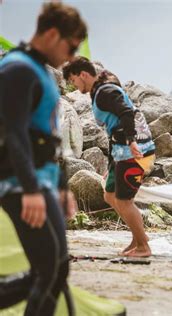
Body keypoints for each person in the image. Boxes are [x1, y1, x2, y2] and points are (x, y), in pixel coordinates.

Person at [0, 3, 85, 314]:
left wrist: (62, 187)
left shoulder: (42, 72)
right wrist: (31, 190)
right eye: (71, 45)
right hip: (18, 182)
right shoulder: (17, 69)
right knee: (47, 270)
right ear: (51, 34)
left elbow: (50, 137)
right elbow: (14, 133)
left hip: (44, 180)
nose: (73, 55)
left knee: (56, 270)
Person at [63, 56, 155, 257]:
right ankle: (138, 239)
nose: (73, 85)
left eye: (73, 80)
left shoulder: (105, 92)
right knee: (110, 195)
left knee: (123, 201)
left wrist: (131, 141)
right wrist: (111, 166)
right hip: (122, 152)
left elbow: (126, 113)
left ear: (83, 75)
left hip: (134, 152)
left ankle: (143, 247)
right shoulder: (101, 89)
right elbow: (114, 129)